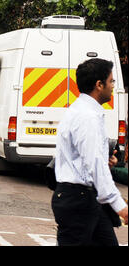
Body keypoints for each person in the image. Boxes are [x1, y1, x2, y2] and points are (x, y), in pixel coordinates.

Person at [52, 58, 128, 246]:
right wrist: (120, 205)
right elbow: (94, 165)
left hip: (84, 198)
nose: (113, 86)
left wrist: (104, 161)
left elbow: (87, 158)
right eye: (111, 81)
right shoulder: (87, 117)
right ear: (99, 85)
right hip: (78, 201)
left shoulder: (80, 110)